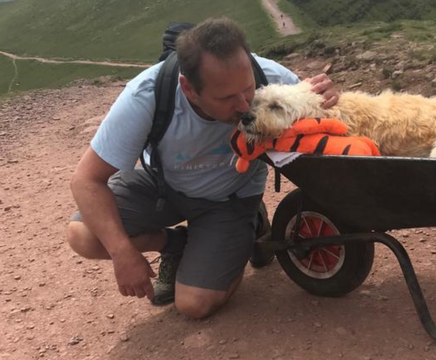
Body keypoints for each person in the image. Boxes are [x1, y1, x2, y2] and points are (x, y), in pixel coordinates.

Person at [66, 17, 339, 319]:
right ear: (189, 88)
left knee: (194, 305)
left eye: (248, 89)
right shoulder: (146, 95)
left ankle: (249, 223)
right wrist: (121, 252)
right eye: (225, 98)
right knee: (84, 235)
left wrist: (328, 98)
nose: (243, 106)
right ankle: (176, 244)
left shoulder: (271, 75)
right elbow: (86, 181)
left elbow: (327, 124)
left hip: (229, 199)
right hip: (163, 189)